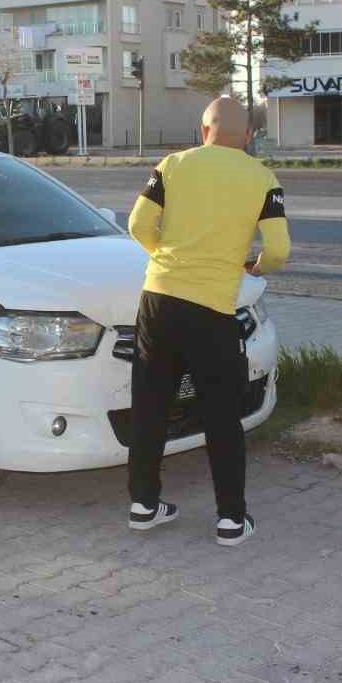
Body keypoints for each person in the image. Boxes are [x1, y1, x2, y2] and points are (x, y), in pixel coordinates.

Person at [126, 96, 291, 546]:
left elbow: (138, 225)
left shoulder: (172, 164)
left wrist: (166, 259)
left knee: (151, 404)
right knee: (221, 413)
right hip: (213, 309)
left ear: (204, 132)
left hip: (158, 301)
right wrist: (255, 267)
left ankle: (143, 504)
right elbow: (278, 250)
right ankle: (231, 520)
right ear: (249, 137)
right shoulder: (262, 177)